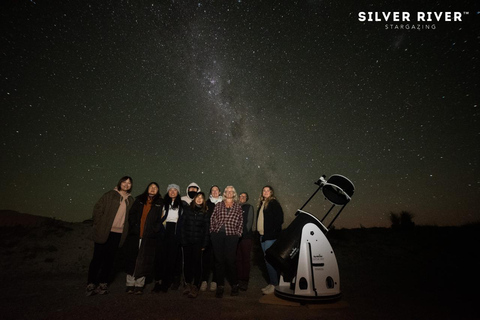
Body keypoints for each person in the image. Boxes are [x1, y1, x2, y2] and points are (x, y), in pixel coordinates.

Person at [86, 176, 134, 296]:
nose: (126, 184)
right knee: (97, 258)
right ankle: (91, 283)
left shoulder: (131, 199)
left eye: (129, 183)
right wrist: (98, 224)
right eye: (124, 182)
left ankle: (103, 283)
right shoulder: (110, 194)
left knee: (109, 260)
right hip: (104, 231)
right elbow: (98, 209)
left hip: (118, 233)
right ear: (120, 183)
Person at [124, 182, 164, 294]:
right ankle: (130, 284)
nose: (153, 189)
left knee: (144, 260)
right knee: (133, 258)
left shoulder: (159, 203)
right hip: (136, 234)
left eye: (155, 188)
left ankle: (139, 285)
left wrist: (155, 229)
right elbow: (131, 214)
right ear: (147, 188)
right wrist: (134, 226)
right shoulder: (139, 200)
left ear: (158, 190)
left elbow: (161, 217)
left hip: (149, 236)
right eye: (151, 187)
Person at [209, 186, 243, 298]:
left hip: (232, 235)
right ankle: (220, 286)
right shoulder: (219, 205)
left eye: (231, 191)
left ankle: (234, 284)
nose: (229, 193)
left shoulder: (238, 207)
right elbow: (212, 218)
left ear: (234, 194)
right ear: (224, 193)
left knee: (230, 260)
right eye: (227, 191)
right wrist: (212, 232)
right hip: (217, 235)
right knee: (219, 261)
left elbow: (240, 221)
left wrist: (238, 233)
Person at [181, 192, 210, 298]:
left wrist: (204, 243)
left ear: (203, 201)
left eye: (201, 198)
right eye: (198, 197)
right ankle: (187, 284)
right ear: (194, 199)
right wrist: (183, 240)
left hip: (198, 242)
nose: (199, 199)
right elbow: (183, 226)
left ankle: (195, 286)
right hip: (187, 242)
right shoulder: (188, 210)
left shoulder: (205, 212)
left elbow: (207, 230)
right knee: (187, 264)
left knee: (197, 265)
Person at [156, 184, 185, 292]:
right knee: (163, 256)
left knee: (173, 257)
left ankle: (169, 281)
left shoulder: (181, 205)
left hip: (175, 230)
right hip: (164, 229)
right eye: (170, 190)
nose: (172, 192)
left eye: (175, 190)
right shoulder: (163, 203)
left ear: (178, 192)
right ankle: (161, 281)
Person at [257, 185, 284, 295]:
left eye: (268, 190)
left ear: (271, 192)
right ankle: (272, 283)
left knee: (270, 260)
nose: (266, 192)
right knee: (266, 260)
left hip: (270, 237)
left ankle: (275, 284)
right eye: (264, 190)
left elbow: (280, 220)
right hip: (262, 236)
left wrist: (272, 234)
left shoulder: (273, 203)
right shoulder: (262, 204)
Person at [200, 185, 222, 292]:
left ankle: (215, 281)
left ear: (220, 192)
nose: (214, 192)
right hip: (207, 234)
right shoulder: (206, 203)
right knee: (206, 259)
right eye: (212, 190)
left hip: (219, 235)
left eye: (216, 190)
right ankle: (204, 280)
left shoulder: (223, 203)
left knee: (217, 259)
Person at [236, 192, 255, 291]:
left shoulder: (249, 207)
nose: (242, 197)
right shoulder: (235, 207)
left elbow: (249, 223)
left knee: (245, 259)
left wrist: (242, 233)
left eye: (244, 196)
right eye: (241, 196)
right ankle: (239, 279)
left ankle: (245, 281)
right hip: (235, 238)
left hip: (245, 237)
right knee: (238, 259)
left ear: (246, 198)